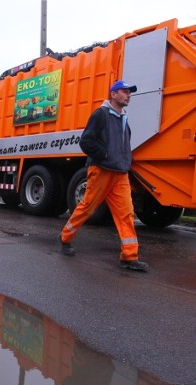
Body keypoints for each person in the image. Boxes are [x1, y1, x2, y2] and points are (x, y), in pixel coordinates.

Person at [59, 80, 148, 272]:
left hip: (120, 173)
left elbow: (124, 145)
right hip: (101, 170)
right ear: (113, 94)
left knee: (126, 214)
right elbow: (86, 141)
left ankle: (129, 256)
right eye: (124, 91)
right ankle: (65, 237)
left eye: (129, 92)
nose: (128, 95)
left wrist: (126, 161)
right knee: (88, 207)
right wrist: (105, 155)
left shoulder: (123, 118)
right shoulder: (101, 115)